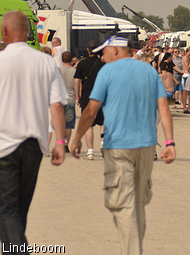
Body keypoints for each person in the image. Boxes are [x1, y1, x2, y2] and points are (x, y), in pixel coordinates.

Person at [0, 10, 67, 249]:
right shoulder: (46, 62)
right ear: (27, 32)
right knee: (19, 211)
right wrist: (60, 142)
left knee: (6, 211)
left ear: (5, 32)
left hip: (1, 146)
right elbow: (57, 105)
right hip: (33, 146)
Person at [70, 35, 175, 255]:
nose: (101, 57)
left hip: (118, 146)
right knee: (137, 205)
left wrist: (77, 137)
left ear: (116, 51)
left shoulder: (106, 72)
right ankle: (134, 247)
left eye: (103, 53)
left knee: (123, 205)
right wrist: (169, 142)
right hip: (146, 147)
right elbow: (164, 108)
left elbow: (90, 110)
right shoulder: (149, 71)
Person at [74, 40, 106, 160]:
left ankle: (90, 151)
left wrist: (78, 96)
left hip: (87, 97)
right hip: (102, 97)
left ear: (88, 50)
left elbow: (77, 81)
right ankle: (103, 143)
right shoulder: (104, 64)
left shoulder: (82, 64)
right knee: (103, 123)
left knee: (89, 125)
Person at [59, 51, 77, 152]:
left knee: (61, 124)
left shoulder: (58, 70)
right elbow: (77, 84)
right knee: (68, 124)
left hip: (60, 99)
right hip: (70, 98)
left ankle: (61, 143)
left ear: (62, 60)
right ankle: (66, 144)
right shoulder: (74, 71)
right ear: (71, 60)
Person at [181, 46, 190, 113]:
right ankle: (185, 107)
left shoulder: (188, 57)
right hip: (186, 75)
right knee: (185, 92)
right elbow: (187, 67)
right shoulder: (185, 58)